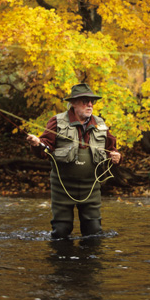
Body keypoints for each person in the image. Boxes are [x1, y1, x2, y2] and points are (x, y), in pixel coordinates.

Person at [26, 83, 121, 239]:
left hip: (91, 186)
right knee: (61, 232)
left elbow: (112, 149)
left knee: (94, 232)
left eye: (92, 101)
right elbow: (45, 148)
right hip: (62, 187)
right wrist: (37, 145)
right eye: (85, 101)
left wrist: (117, 157)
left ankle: (89, 263)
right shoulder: (57, 121)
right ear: (73, 103)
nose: (90, 104)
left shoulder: (100, 124)